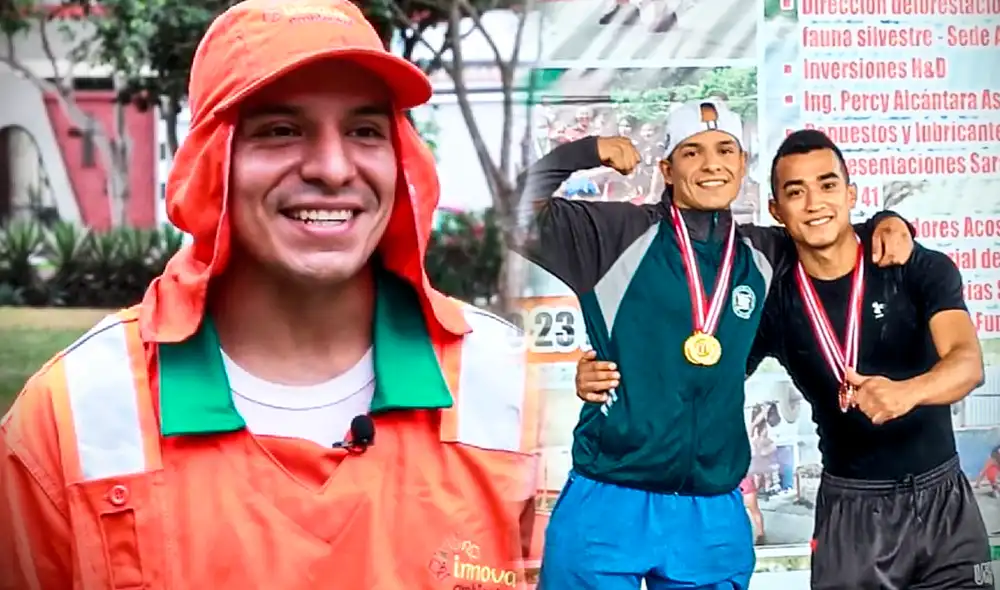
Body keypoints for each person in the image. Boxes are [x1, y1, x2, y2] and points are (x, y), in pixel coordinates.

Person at [0, 1, 538, 588]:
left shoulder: (515, 391)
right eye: (280, 131)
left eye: (365, 131)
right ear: (212, 163)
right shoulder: (74, 413)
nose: (333, 169)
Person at [517, 99, 914, 590]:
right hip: (610, 495)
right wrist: (589, 149)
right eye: (692, 152)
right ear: (666, 168)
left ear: (742, 164)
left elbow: (829, 233)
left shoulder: (765, 253)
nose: (711, 164)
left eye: (726, 149)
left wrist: (890, 223)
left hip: (711, 507)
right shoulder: (615, 235)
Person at [575, 129, 991, 589]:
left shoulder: (913, 266)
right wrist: (608, 371)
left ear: (851, 194)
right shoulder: (771, 294)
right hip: (852, 513)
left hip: (946, 500)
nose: (815, 203)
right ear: (776, 210)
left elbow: (967, 364)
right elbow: (699, 366)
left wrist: (906, 394)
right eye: (796, 191)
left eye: (828, 185)